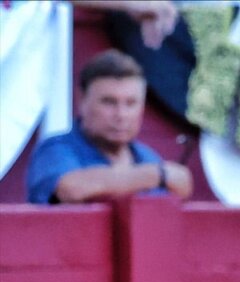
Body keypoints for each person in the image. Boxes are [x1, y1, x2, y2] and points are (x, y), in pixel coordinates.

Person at [26, 49, 193, 205]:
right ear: (82, 101)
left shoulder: (146, 157)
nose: (121, 115)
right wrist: (158, 175)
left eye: (130, 103)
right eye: (109, 102)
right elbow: (71, 189)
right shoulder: (55, 150)